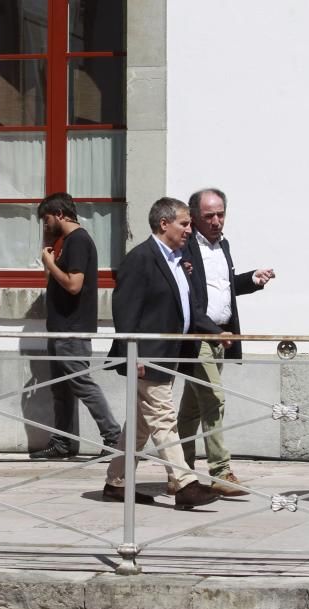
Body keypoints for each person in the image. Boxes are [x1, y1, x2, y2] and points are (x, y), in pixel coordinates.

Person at [104, 197, 221, 510]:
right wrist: (135, 354)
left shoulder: (178, 258)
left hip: (169, 354)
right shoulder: (140, 258)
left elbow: (189, 306)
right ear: (163, 224)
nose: (188, 229)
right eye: (184, 223)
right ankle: (184, 483)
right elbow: (125, 310)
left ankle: (116, 482)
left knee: (142, 425)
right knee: (164, 417)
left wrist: (218, 334)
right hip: (147, 356)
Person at [178, 188, 274, 496]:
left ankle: (180, 471)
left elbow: (222, 288)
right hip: (198, 336)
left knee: (193, 408)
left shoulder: (223, 245)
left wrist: (251, 280)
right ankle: (220, 471)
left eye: (221, 214)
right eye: (209, 216)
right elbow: (190, 299)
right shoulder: (186, 247)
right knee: (214, 400)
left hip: (221, 335)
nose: (217, 221)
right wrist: (212, 332)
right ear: (194, 217)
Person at [30, 193, 122, 460]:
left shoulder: (79, 241)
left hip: (72, 329)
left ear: (59, 214)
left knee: (82, 384)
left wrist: (48, 262)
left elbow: (73, 284)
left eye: (46, 220)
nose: (44, 225)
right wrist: (49, 249)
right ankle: (62, 442)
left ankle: (114, 437)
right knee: (61, 388)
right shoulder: (66, 242)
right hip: (61, 328)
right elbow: (58, 280)